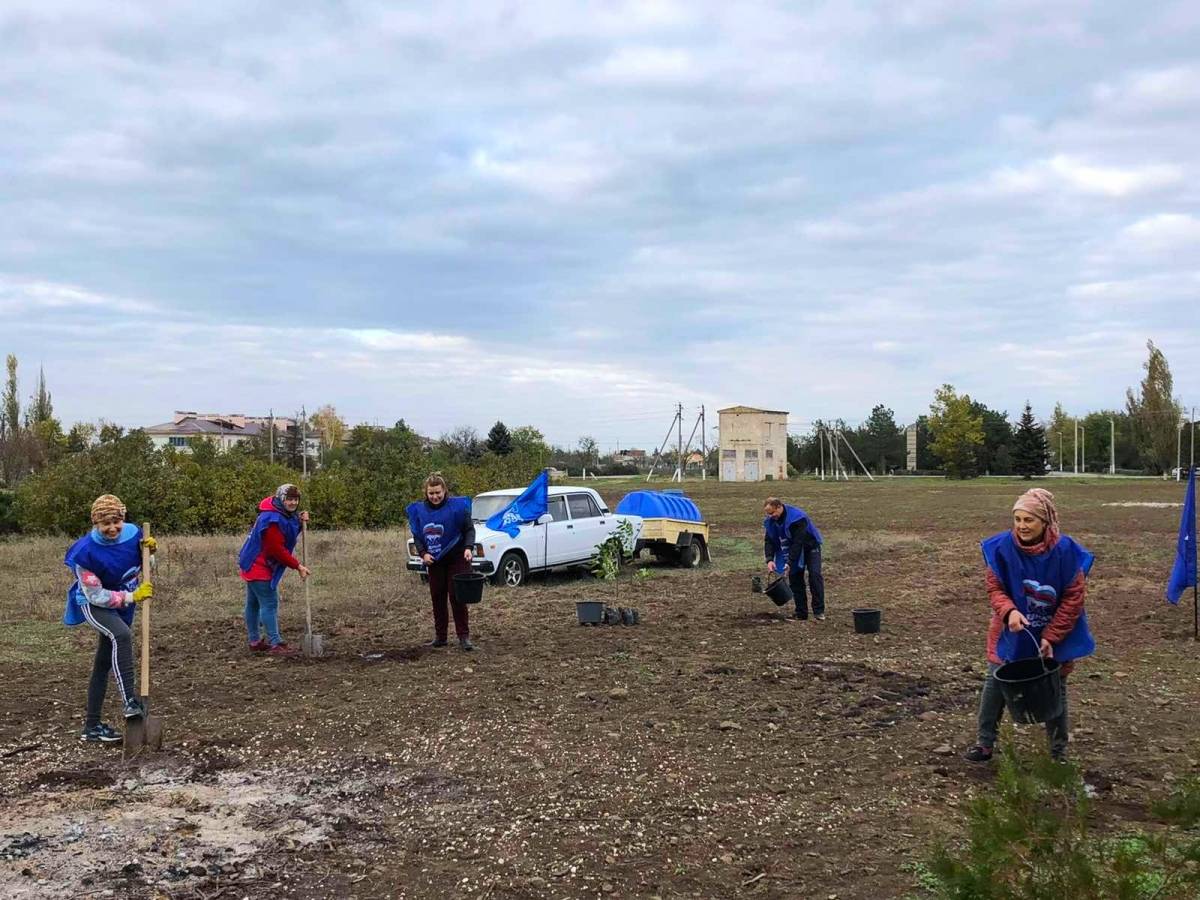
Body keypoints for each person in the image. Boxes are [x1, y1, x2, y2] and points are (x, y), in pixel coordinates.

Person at [965, 487, 1094, 763]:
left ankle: (1058, 754)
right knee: (995, 680)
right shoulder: (1001, 548)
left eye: (1029, 520)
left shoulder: (1066, 552)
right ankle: (984, 742)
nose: (1022, 526)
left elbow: (1074, 599)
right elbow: (995, 587)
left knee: (1055, 686)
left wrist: (1052, 636)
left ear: (1045, 522)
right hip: (1010, 629)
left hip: (1055, 627)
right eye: (1018, 519)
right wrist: (1008, 611)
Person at [63, 494, 155, 743]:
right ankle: (130, 703)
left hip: (124, 601)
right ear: (96, 524)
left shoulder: (134, 533)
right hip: (96, 604)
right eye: (106, 524)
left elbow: (141, 567)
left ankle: (91, 727)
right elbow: (97, 595)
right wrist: (132, 596)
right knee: (121, 636)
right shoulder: (85, 553)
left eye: (117, 522)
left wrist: (149, 553)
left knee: (103, 662)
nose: (113, 528)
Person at [238, 483, 311, 656]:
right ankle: (275, 643)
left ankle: (255, 642)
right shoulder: (271, 518)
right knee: (269, 603)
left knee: (254, 603)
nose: (292, 503)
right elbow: (276, 549)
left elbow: (287, 531)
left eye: (295, 499)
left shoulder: (283, 513)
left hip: (254, 561)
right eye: (289, 499)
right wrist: (297, 566)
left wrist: (300, 522)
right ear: (280, 498)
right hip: (257, 564)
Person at [406, 473, 476, 651]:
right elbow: (418, 536)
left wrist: (468, 547)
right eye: (431, 493)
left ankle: (463, 637)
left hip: (457, 558)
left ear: (444, 490)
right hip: (435, 560)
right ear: (426, 493)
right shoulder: (420, 511)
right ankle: (441, 637)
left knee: (456, 597)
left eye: (438, 492)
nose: (435, 496)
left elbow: (469, 530)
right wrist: (423, 553)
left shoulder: (458, 508)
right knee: (437, 598)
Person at [763, 497, 826, 620]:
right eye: (768, 513)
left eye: (772, 513)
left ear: (779, 507)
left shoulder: (797, 518)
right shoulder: (771, 521)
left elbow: (798, 542)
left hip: (810, 547)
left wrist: (789, 562)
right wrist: (769, 559)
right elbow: (769, 540)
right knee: (795, 579)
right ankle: (801, 613)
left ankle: (819, 611)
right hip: (792, 548)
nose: (770, 516)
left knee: (815, 575)